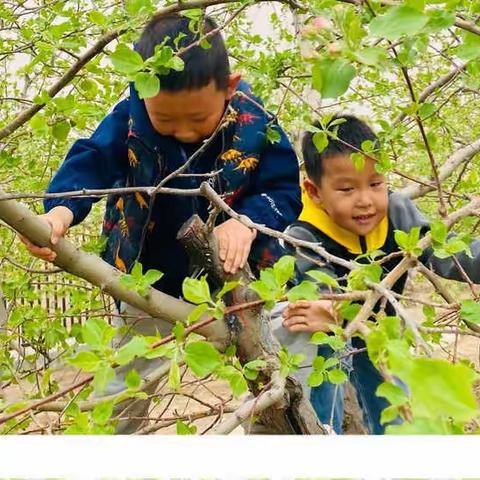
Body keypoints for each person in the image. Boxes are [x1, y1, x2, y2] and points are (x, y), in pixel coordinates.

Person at [20, 13, 301, 433]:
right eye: (166, 122)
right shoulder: (129, 118)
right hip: (150, 285)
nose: (183, 133)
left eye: (197, 120)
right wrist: (58, 212)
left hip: (238, 286)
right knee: (122, 390)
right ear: (142, 88)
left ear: (228, 87)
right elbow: (91, 160)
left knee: (274, 375)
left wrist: (245, 220)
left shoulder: (258, 125)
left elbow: (284, 192)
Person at [279, 114, 480, 434]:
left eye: (375, 184)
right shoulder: (303, 234)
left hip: (379, 330)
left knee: (394, 407)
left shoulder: (398, 211)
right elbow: (318, 302)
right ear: (314, 191)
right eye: (346, 188)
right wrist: (331, 313)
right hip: (331, 331)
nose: (365, 201)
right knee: (323, 365)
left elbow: (448, 252)